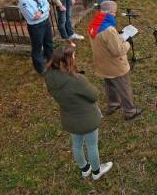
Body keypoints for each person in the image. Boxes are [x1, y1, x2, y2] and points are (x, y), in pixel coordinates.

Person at [44, 43, 113, 180]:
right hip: (87, 118)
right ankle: (96, 171)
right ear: (67, 61)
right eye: (73, 56)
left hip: (69, 117)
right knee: (92, 145)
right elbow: (94, 95)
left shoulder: (49, 77)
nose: (75, 57)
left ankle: (84, 169)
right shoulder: (77, 80)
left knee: (76, 145)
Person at [88, 1, 142, 119]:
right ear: (111, 12)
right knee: (124, 86)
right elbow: (118, 51)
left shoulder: (95, 23)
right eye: (114, 12)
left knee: (109, 84)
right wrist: (128, 42)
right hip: (115, 65)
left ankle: (113, 104)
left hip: (102, 63)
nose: (115, 14)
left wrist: (117, 37)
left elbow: (103, 41)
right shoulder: (109, 30)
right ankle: (129, 111)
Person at [18, 0, 55, 74]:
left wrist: (41, 11)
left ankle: (51, 61)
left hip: (46, 21)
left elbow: (47, 4)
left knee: (49, 43)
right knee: (37, 48)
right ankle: (40, 68)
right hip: (36, 27)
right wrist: (44, 10)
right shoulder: (23, 1)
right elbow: (33, 16)